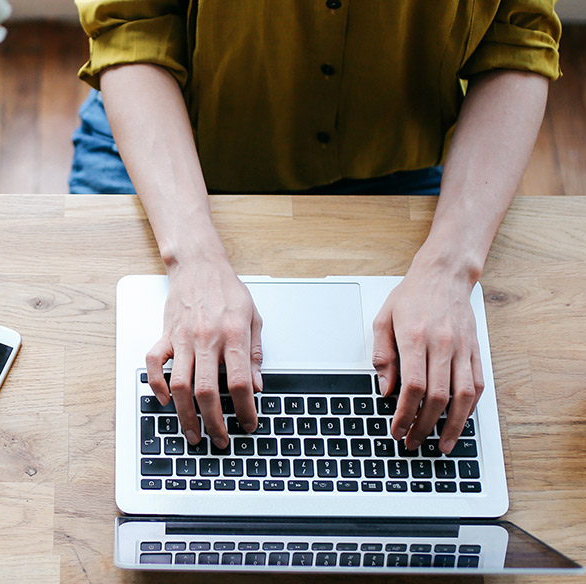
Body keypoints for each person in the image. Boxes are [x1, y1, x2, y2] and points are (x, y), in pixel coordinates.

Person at [71, 1, 560, 457]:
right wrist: (193, 259)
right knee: (93, 401)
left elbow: (517, 41)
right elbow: (131, 26)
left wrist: (452, 267)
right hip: (172, 141)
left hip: (395, 161)